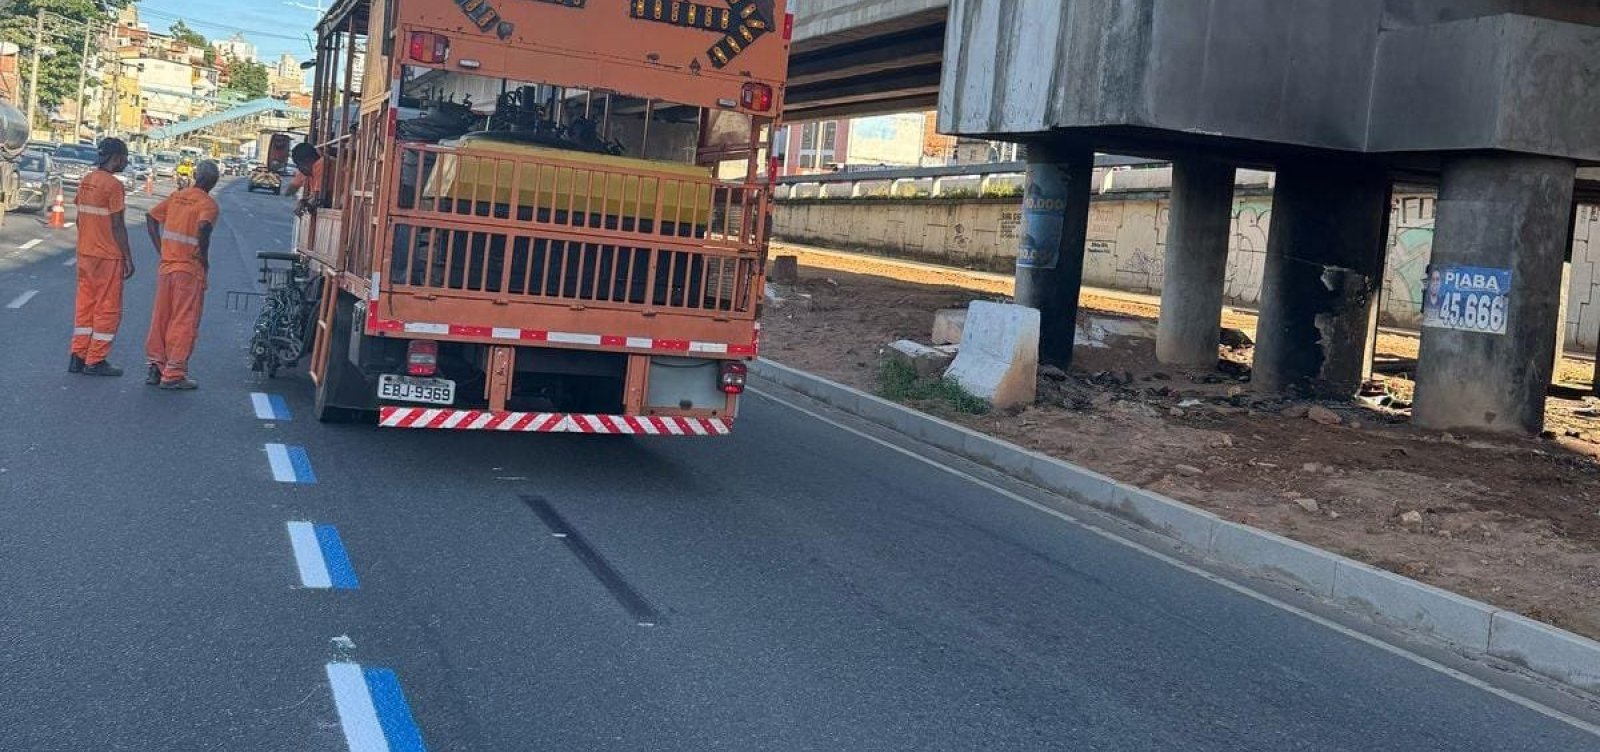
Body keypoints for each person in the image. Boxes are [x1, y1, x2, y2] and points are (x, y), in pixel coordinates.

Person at [143, 160, 220, 390]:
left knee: (161, 318)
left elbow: (151, 217)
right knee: (183, 320)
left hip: (167, 267)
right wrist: (203, 256)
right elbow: (204, 227)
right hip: (189, 269)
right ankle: (174, 373)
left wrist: (161, 249)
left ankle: (155, 368)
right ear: (213, 182)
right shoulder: (208, 204)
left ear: (196, 176)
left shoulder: (177, 197)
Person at [68, 137, 135, 377]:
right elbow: (117, 225)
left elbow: (79, 218)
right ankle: (95, 360)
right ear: (117, 158)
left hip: (85, 254)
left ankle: (78, 356)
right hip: (107, 257)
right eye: (124, 158)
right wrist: (127, 257)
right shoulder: (113, 185)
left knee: (84, 307)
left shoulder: (87, 181)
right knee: (107, 309)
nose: (125, 162)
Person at [287, 142, 324, 215]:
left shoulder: (320, 164)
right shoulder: (311, 173)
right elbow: (314, 195)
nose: (299, 169)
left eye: (298, 165)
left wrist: (304, 203)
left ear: (307, 161)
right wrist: (303, 201)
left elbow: (317, 198)